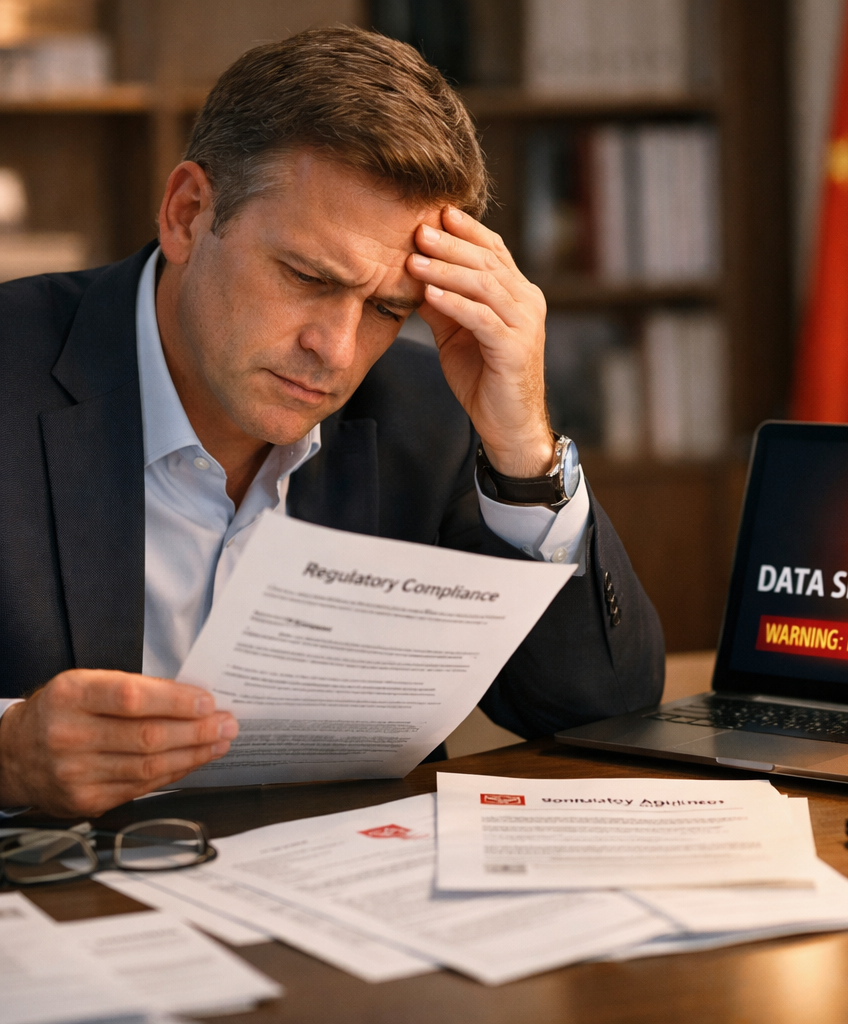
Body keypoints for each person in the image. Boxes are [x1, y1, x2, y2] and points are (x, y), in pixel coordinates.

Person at [0, 26, 664, 818]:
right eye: (309, 278)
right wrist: (7, 757)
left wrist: (524, 448)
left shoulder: (435, 412)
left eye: (389, 308)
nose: (338, 353)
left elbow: (600, 714)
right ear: (187, 214)